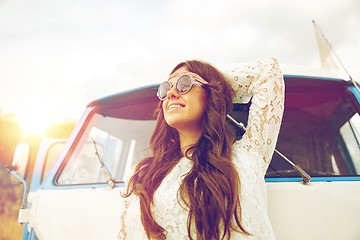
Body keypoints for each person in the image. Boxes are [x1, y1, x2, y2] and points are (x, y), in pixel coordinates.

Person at [118, 57, 284, 240]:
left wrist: (215, 81)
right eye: (165, 88)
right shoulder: (142, 174)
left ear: (211, 94)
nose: (171, 93)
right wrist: (190, 81)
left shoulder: (247, 155)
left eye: (184, 83)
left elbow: (268, 71)